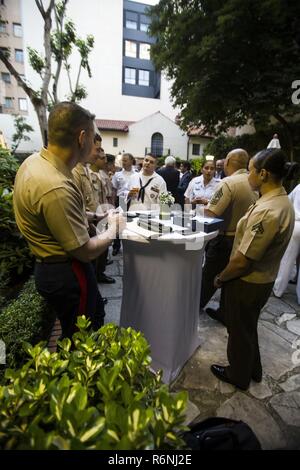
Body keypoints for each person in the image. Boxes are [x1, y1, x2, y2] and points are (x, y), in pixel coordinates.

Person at [13, 102, 125, 339]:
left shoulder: (34, 163)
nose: (98, 146)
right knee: (81, 335)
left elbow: (59, 215)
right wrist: (113, 229)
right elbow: (84, 251)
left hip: (51, 269)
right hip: (67, 272)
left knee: (85, 321)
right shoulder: (56, 186)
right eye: (95, 137)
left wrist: (96, 216)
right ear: (82, 137)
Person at [210, 148, 297, 390]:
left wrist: (220, 277)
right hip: (264, 278)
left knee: (238, 330)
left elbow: (243, 260)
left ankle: (238, 374)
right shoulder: (280, 200)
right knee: (248, 326)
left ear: (263, 174)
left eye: (250, 171)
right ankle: (253, 368)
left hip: (248, 281)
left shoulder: (267, 210)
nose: (247, 176)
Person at [200, 149, 257, 310]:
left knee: (209, 276)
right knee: (230, 280)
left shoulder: (228, 183)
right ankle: (224, 311)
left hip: (224, 238)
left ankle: (195, 305)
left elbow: (211, 213)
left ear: (228, 161)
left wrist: (203, 206)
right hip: (242, 238)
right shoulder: (252, 181)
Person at [273, 183, 300, 303]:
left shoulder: (299, 187)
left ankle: (278, 289)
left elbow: (288, 200)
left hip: (297, 224)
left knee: (287, 259)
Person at [111, 153, 136, 255]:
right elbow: (114, 189)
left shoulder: (136, 174)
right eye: (123, 160)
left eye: (125, 160)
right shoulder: (118, 175)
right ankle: (116, 246)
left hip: (132, 202)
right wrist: (113, 204)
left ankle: (130, 246)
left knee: (130, 225)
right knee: (118, 224)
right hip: (120, 201)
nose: (123, 162)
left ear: (131, 161)